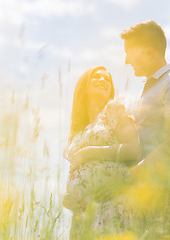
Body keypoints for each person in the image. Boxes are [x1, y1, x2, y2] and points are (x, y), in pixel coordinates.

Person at [98, 20, 170, 239]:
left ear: (149, 51)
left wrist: (125, 179)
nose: (125, 60)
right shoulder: (150, 88)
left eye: (129, 53)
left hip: (168, 194)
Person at [63, 66, 141, 239]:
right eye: (96, 77)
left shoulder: (114, 110)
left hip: (110, 202)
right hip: (82, 212)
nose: (103, 80)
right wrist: (69, 197)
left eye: (107, 79)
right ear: (84, 86)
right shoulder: (78, 128)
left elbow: (134, 150)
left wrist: (90, 152)